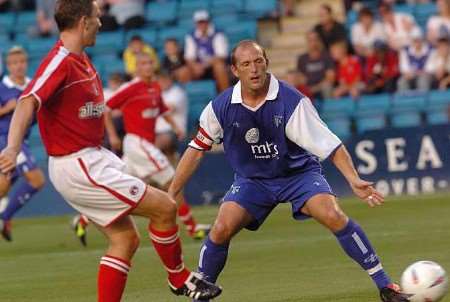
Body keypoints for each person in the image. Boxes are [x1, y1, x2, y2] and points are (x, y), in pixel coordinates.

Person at [0, 1, 221, 301]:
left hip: (94, 157)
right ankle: (180, 279)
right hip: (78, 164)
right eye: (97, 17)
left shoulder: (81, 58)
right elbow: (28, 101)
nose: (101, 23)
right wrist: (12, 148)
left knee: (125, 239)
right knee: (166, 207)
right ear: (82, 22)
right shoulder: (61, 60)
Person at [168, 40, 409, 302]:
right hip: (254, 180)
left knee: (333, 214)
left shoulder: (292, 101)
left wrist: (353, 179)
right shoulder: (221, 107)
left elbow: (330, 144)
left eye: (258, 61)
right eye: (246, 64)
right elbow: (196, 149)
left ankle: (386, 286)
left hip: (298, 175)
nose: (254, 69)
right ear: (235, 71)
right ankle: (199, 291)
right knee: (222, 227)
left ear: (267, 62)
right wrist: (173, 190)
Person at [105, 54, 210, 240]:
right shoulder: (130, 88)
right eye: (143, 63)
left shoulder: (154, 87)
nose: (147, 66)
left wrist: (176, 127)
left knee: (117, 185)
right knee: (171, 180)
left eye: (149, 63)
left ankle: (83, 220)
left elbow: (162, 109)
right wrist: (113, 135)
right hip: (137, 143)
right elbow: (106, 108)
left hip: (144, 144)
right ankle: (193, 228)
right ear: (136, 68)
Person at [0, 46, 46, 242]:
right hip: (6, 140)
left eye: (22, 62)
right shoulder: (2, 87)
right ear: (8, 66)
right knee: (37, 180)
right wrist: (5, 109)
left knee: (3, 186)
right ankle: (4, 218)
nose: (18, 66)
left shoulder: (32, 86)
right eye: (14, 63)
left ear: (26, 64)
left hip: (22, 140)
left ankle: (4, 217)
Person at [184, 10, 230, 92]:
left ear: (208, 22)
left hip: (213, 66)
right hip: (199, 67)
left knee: (219, 67)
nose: (202, 25)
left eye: (204, 22)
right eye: (199, 22)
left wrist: (204, 65)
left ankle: (225, 96)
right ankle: (191, 97)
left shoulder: (218, 33)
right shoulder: (191, 36)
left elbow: (221, 56)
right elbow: (189, 57)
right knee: (184, 72)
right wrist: (195, 66)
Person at [297, 31, 335, 100]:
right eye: (310, 40)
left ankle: (329, 109)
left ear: (319, 41)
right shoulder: (302, 59)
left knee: (327, 87)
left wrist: (315, 88)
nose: (313, 43)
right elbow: (300, 78)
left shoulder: (326, 56)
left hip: (321, 88)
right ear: (307, 42)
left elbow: (330, 78)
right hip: (307, 88)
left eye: (315, 40)